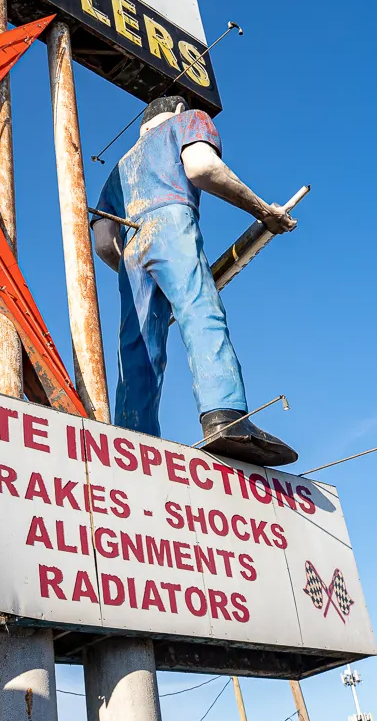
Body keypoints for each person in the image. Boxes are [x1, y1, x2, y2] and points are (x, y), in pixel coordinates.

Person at [90, 97, 298, 467]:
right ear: (180, 107)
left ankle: (131, 439)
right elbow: (202, 167)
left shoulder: (118, 172)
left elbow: (105, 243)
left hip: (131, 247)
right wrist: (264, 211)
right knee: (199, 310)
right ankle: (224, 414)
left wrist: (131, 267)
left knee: (136, 343)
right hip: (172, 223)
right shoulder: (187, 123)